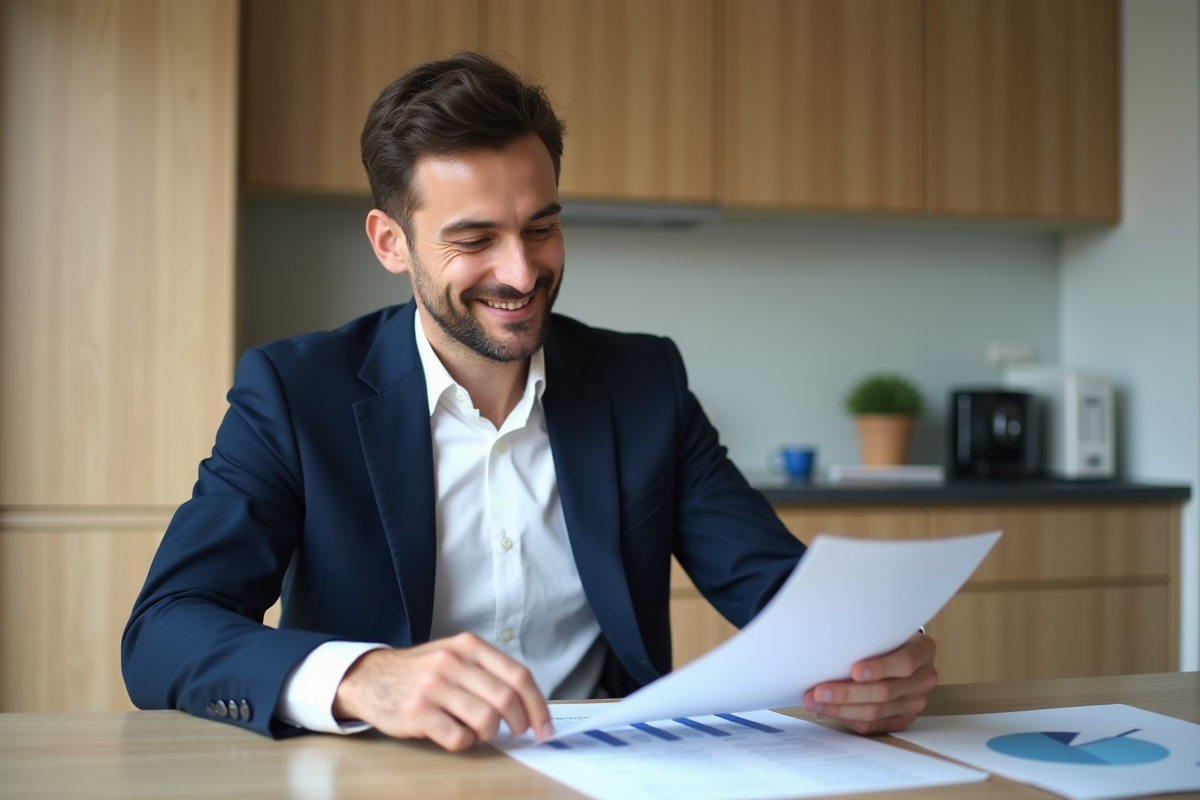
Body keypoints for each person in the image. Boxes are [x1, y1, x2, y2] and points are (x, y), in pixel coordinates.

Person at [122, 52, 938, 752]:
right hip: (384, 776)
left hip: (614, 772)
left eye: (540, 228)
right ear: (389, 244)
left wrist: (870, 658)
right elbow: (165, 630)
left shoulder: (641, 383)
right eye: (475, 241)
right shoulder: (296, 394)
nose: (520, 272)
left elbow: (779, 590)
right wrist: (363, 679)